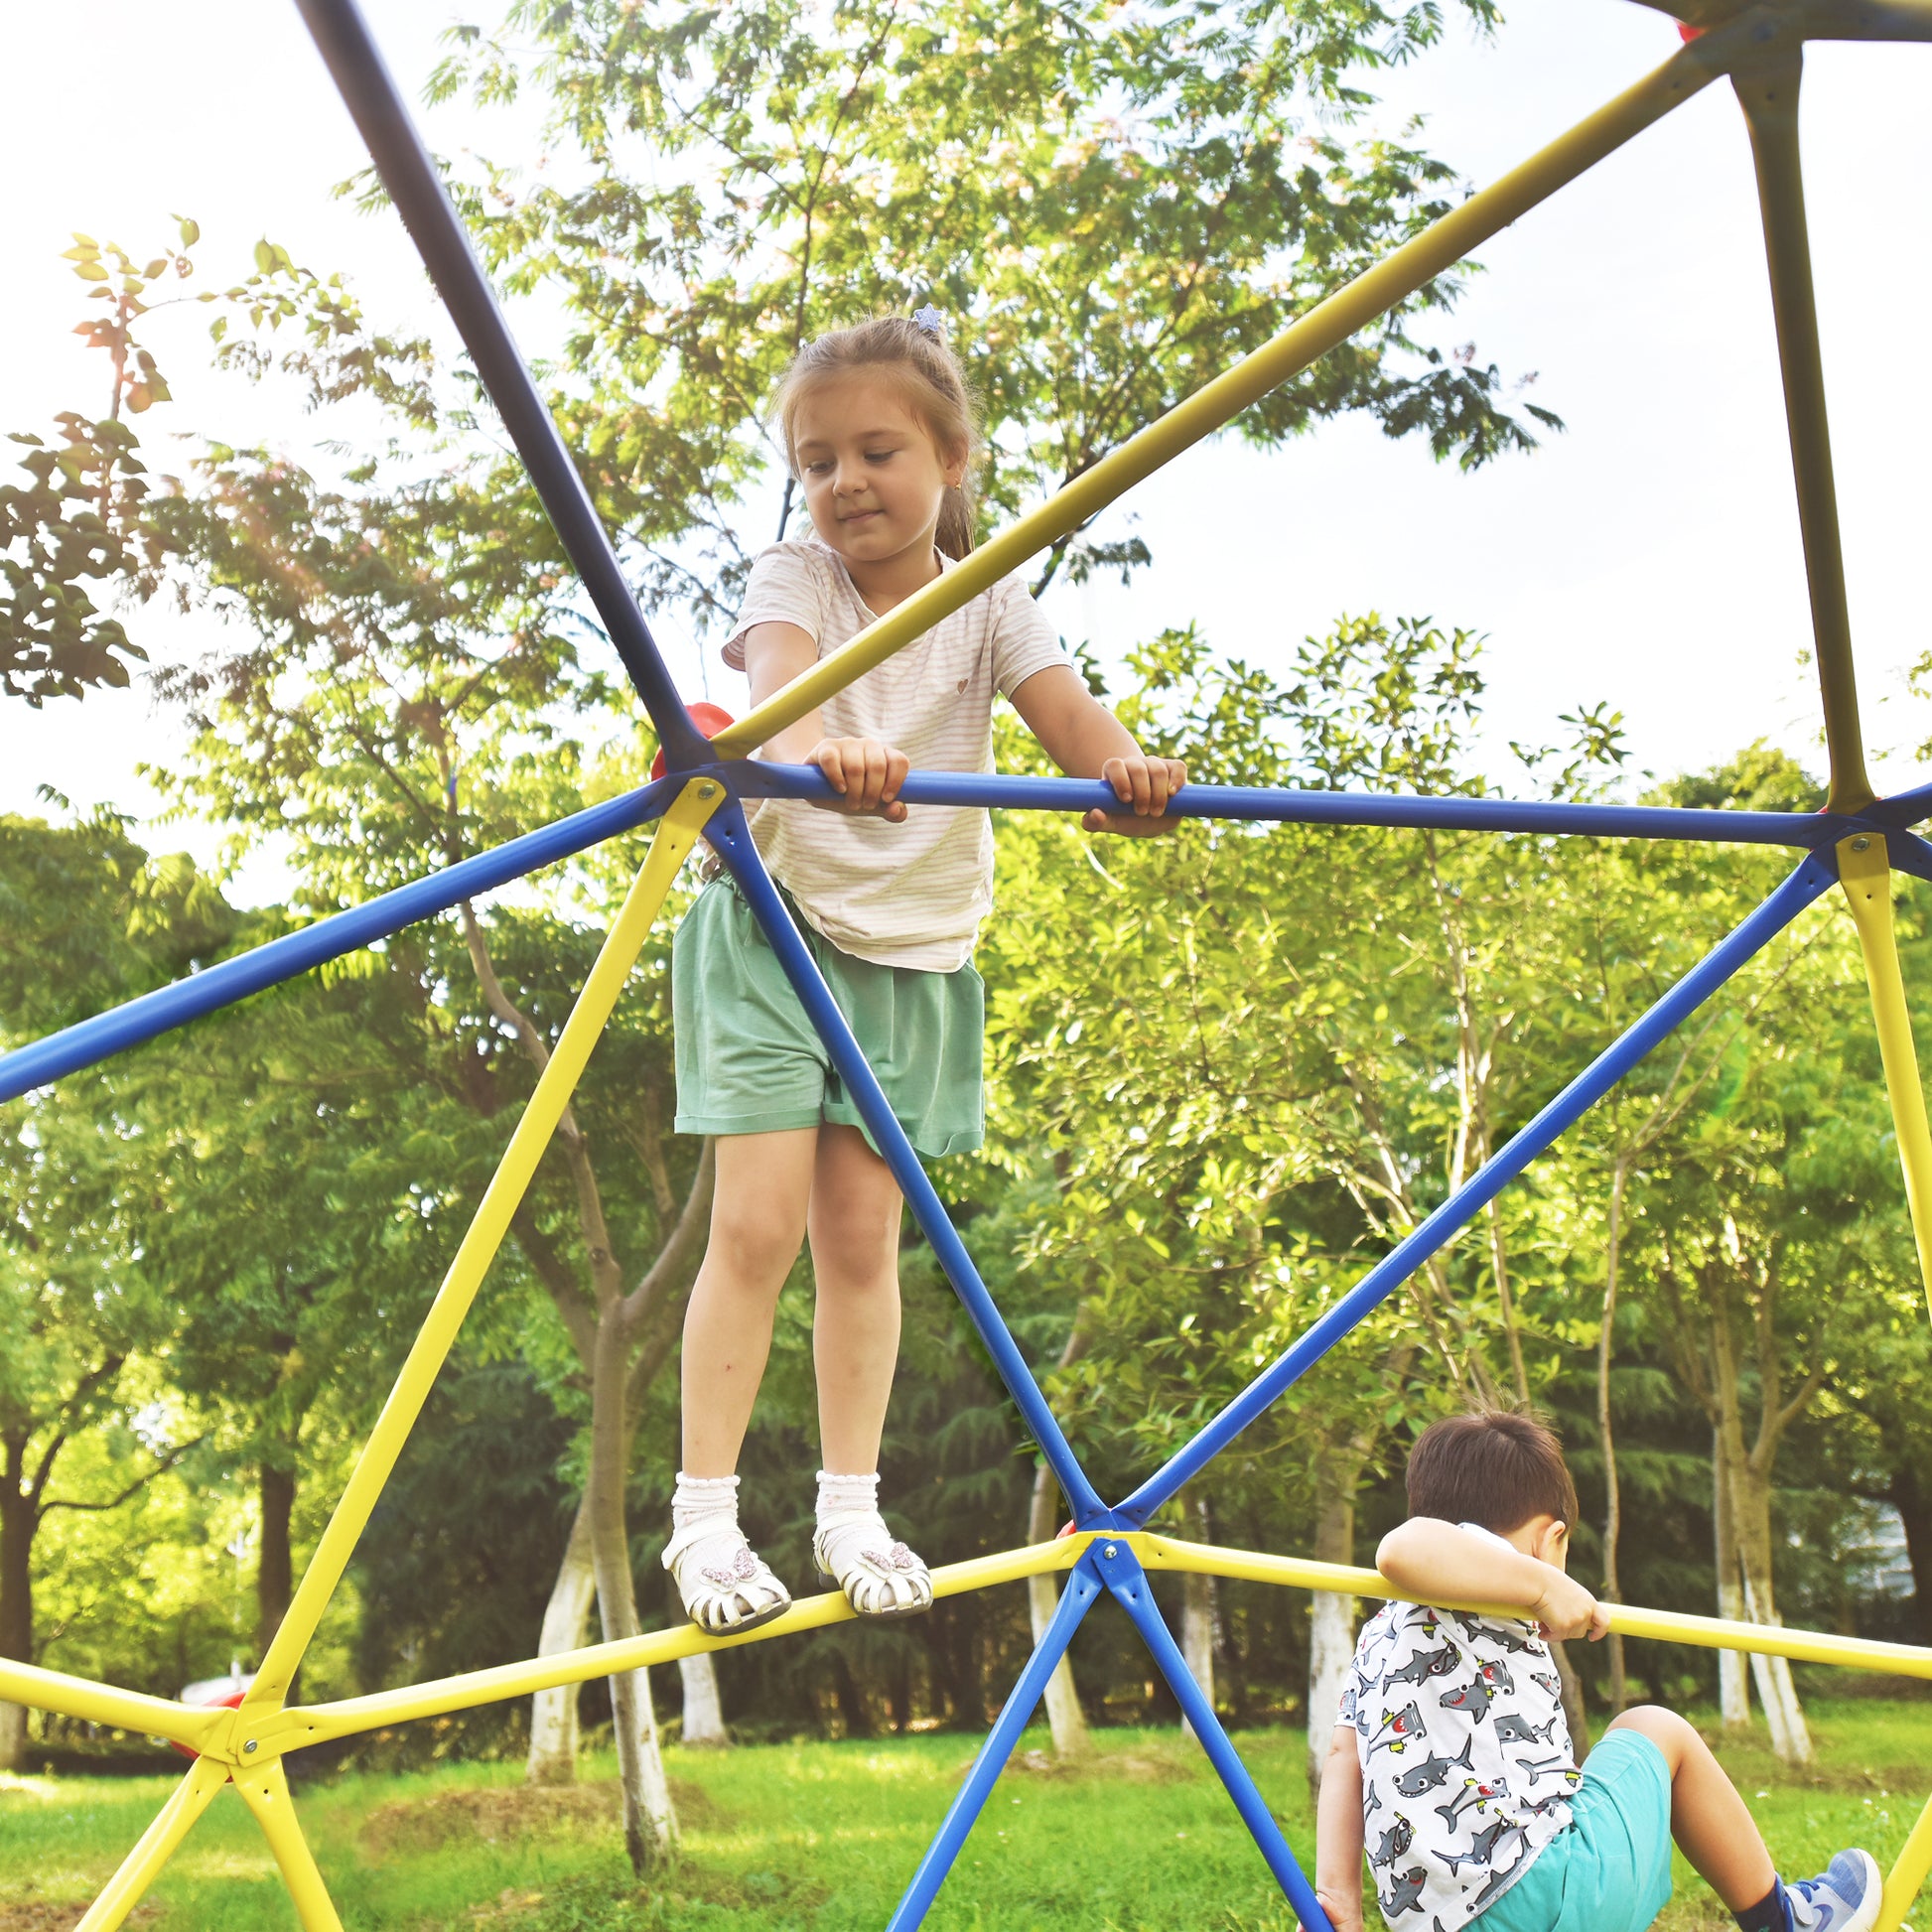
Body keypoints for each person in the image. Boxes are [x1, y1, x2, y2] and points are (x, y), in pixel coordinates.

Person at [662, 309, 1187, 1635]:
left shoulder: (991, 593)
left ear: (949, 455)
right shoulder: (796, 576)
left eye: (876, 451)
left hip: (915, 951)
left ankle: (850, 1505)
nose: (844, 482)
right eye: (817, 458)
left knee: (860, 1238)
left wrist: (1123, 775)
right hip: (776, 925)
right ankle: (705, 1519)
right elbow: (780, 687)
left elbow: (1072, 722)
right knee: (756, 1225)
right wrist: (826, 737)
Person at [1309, 1408, 1881, 1932]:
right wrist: (1542, 1582)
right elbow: (1402, 1549)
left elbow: (1344, 1758)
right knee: (1656, 1728)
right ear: (1550, 1537)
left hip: (1445, 1925)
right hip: (1548, 1889)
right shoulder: (1486, 1573)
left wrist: (1339, 1900)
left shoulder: (1377, 1635)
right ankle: (1784, 1920)